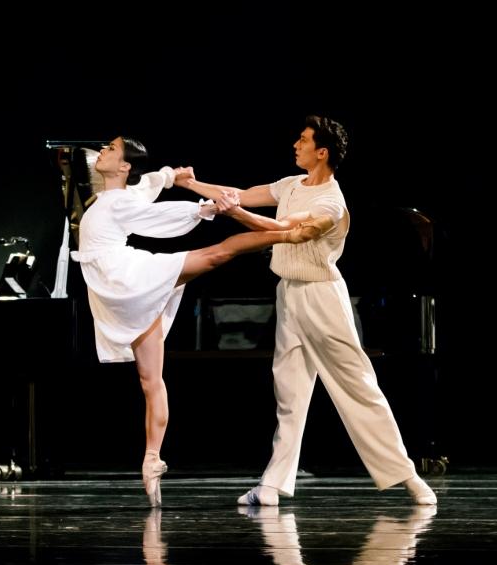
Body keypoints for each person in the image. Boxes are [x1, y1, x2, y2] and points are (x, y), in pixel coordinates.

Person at [176, 116, 438, 506]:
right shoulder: (291, 185)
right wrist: (191, 184)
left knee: (357, 386)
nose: (296, 145)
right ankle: (272, 485)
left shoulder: (331, 203)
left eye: (303, 140)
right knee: (289, 390)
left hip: (322, 298)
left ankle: (409, 477)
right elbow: (241, 194)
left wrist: (235, 214)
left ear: (322, 152)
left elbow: (287, 229)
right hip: (290, 294)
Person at [71, 136, 330, 507]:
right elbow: (148, 187)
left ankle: (287, 234)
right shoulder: (121, 195)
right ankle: (151, 458)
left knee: (216, 254)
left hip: (128, 277)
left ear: (125, 166)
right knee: (149, 379)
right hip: (120, 284)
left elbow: (159, 215)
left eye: (111, 149)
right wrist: (170, 176)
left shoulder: (121, 200)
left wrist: (205, 209)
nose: (104, 152)